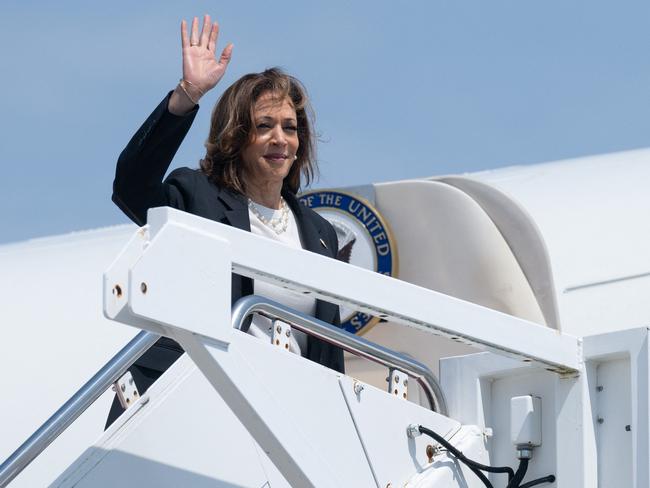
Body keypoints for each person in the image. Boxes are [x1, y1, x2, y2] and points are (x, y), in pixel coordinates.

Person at [107, 15, 344, 427]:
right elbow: (131, 185)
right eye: (264, 126)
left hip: (284, 417)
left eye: (290, 128)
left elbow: (327, 352)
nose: (280, 139)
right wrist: (187, 95)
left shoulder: (319, 233)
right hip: (197, 407)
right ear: (236, 136)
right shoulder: (195, 196)